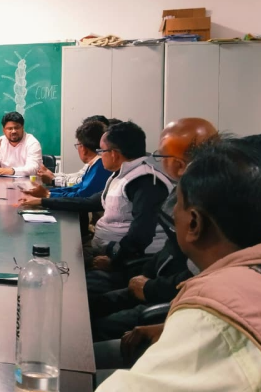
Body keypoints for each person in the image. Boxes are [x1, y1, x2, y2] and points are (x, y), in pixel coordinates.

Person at [67, 139, 261, 392]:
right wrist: (171, 328)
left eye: (178, 205)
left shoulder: (219, 313)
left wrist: (193, 325)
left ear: (194, 223)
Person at [90, 118, 218, 341]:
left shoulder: (205, 206)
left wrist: (149, 286)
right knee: (93, 304)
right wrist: (147, 275)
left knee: (95, 323)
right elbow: (171, 248)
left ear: (179, 165)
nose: (155, 161)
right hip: (156, 277)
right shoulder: (187, 191)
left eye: (160, 156)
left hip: (173, 298)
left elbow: (198, 275)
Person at [19, 122, 172, 274]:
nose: (99, 155)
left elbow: (141, 233)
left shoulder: (145, 181)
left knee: (59, 267)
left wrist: (115, 260)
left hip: (128, 263)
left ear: (114, 154)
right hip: (107, 252)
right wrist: (43, 201)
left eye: (101, 151)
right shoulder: (123, 175)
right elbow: (90, 202)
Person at [29, 120, 110, 199]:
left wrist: (48, 194)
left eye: (78, 145)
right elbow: (76, 188)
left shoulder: (100, 167)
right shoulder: (93, 165)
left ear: (83, 148)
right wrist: (48, 192)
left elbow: (80, 196)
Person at [0, 111, 42, 177]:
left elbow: (33, 168)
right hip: (4, 181)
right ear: (4, 130)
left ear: (22, 128)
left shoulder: (32, 142)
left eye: (17, 128)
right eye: (10, 128)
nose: (13, 131)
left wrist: (12, 171)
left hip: (28, 181)